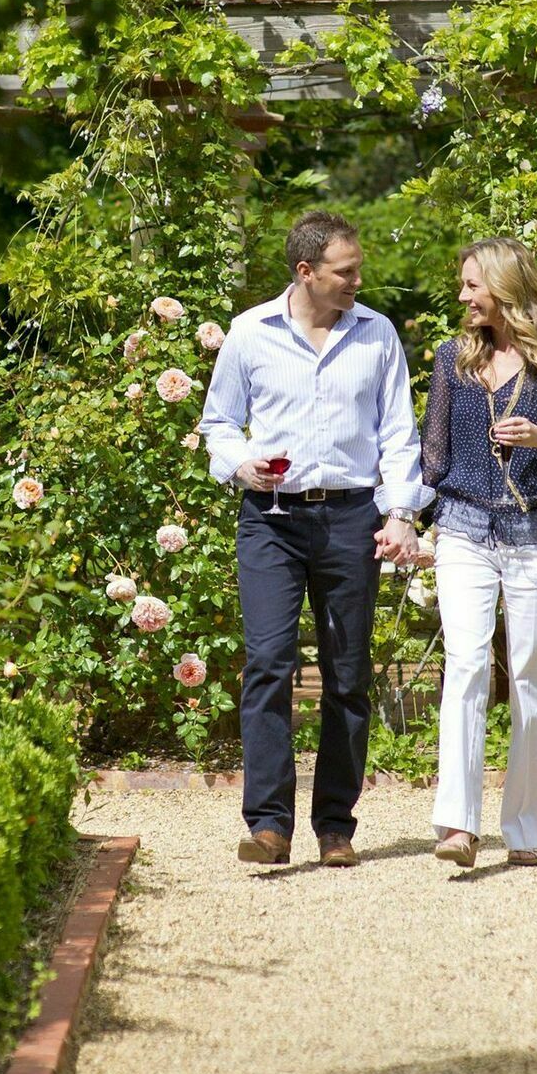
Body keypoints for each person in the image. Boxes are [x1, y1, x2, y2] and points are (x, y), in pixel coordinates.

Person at [201, 210, 421, 869]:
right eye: (345, 271)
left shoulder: (377, 335)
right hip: (269, 519)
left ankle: (335, 828)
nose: (358, 281)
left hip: (352, 517)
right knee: (269, 664)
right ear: (306, 272)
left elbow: (398, 433)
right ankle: (268, 825)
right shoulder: (249, 334)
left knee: (347, 674)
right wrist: (238, 463)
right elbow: (217, 423)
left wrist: (402, 512)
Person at [421, 237, 537, 869]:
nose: (464, 296)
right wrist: (412, 519)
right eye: (463, 285)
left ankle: (525, 828)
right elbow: (434, 457)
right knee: (467, 664)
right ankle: (457, 825)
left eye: (473, 285)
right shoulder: (453, 360)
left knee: (530, 677)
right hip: (466, 530)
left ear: (506, 288)